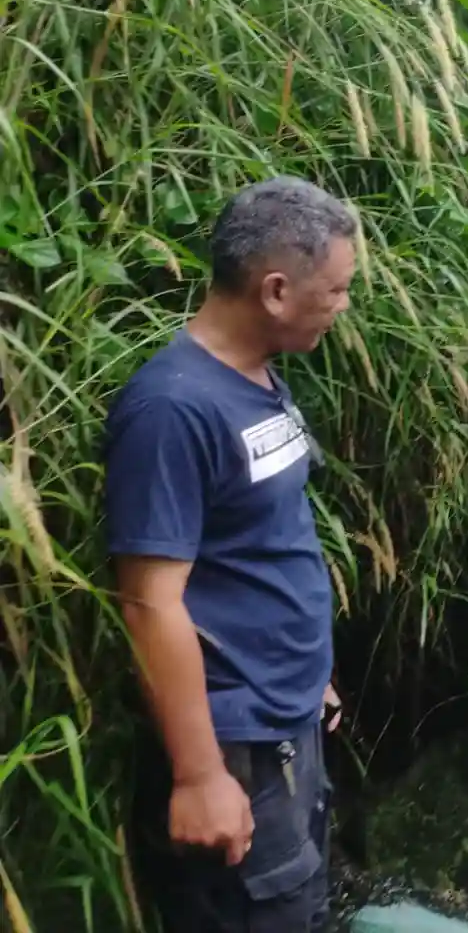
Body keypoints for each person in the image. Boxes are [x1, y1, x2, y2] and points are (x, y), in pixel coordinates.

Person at [107, 177, 357, 932]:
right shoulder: (172, 410)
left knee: (302, 897)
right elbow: (151, 601)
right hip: (235, 748)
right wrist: (199, 774)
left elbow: (265, 537)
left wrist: (310, 673)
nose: (343, 307)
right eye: (337, 290)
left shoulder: (255, 377)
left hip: (288, 715)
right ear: (275, 290)